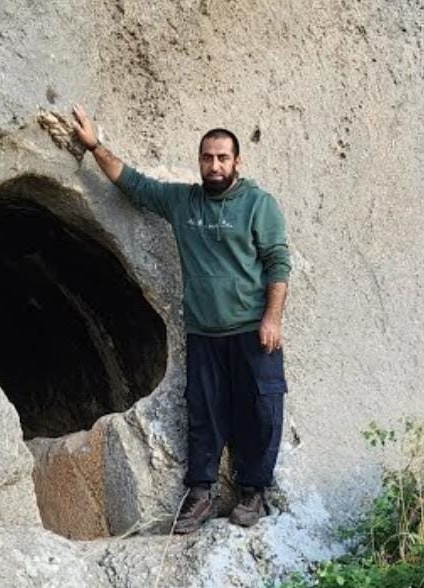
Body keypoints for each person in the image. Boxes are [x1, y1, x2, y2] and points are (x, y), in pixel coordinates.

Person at [71, 105, 291, 533]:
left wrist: (272, 319)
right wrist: (95, 145)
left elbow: (277, 263)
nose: (214, 165)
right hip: (204, 333)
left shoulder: (258, 204)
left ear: (237, 162)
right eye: (207, 157)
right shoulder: (183, 201)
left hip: (251, 330)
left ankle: (253, 492)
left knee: (261, 410)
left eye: (222, 157)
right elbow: (132, 184)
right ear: (200, 161)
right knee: (203, 414)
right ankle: (200, 495)